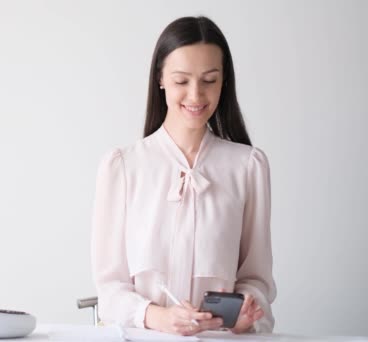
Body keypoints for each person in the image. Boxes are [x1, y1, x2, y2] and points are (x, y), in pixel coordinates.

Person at [90, 16, 276, 336]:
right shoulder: (122, 166)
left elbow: (256, 280)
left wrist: (245, 313)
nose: (195, 95)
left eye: (209, 80)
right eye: (181, 81)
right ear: (160, 78)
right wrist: (158, 317)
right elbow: (110, 290)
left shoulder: (248, 167)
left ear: (224, 82)